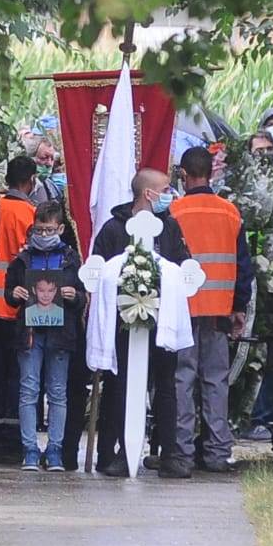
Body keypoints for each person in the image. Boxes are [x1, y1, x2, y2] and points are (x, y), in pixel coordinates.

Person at [91, 168, 192, 478]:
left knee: (165, 386)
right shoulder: (113, 229)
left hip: (162, 319)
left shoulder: (170, 227)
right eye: (165, 189)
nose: (171, 194)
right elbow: (99, 271)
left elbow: (181, 264)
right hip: (124, 324)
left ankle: (168, 453)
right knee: (120, 386)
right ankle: (118, 449)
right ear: (149, 193)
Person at [169, 147, 253, 473]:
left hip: (182, 310)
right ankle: (218, 452)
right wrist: (239, 308)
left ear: (184, 176)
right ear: (212, 174)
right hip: (219, 311)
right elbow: (243, 267)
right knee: (216, 381)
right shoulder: (230, 213)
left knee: (182, 379)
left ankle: (182, 452)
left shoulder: (174, 212)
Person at [4, 202, 84, 471]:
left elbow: (82, 297)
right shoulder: (22, 258)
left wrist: (75, 296)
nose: (44, 234)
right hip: (29, 333)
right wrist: (14, 294)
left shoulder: (71, 258)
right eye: (39, 229)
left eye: (50, 230)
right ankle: (29, 449)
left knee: (58, 392)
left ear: (60, 228)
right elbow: (8, 293)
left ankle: (55, 451)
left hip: (61, 335)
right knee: (29, 390)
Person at [0, 156, 38, 462]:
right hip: (19, 307)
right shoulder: (31, 214)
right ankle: (13, 441)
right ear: (31, 180)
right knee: (18, 378)